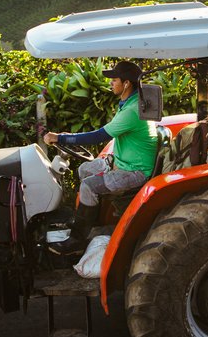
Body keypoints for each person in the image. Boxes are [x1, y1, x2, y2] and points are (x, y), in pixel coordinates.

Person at [43, 60, 159, 253]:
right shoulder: (130, 103)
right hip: (123, 161)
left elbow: (99, 136)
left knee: (89, 185)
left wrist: (61, 138)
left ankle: (77, 240)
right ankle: (89, 218)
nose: (111, 83)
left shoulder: (132, 111)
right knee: (84, 169)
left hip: (134, 171)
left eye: (114, 80)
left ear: (127, 83)